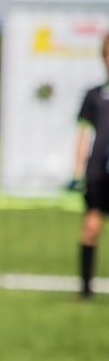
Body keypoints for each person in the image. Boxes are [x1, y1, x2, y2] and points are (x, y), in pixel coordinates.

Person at [71, 33, 109, 300]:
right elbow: (83, 135)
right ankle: (85, 290)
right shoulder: (95, 95)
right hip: (98, 171)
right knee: (92, 227)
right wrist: (76, 172)